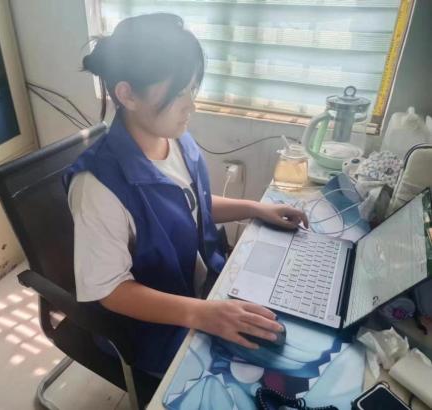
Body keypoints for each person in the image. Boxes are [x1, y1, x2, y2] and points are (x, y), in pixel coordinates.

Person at [64, 13, 308, 376]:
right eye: (179, 93)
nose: (191, 105)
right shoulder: (97, 186)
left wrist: (255, 209)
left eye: (192, 89)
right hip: (153, 327)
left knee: (294, 324)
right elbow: (110, 290)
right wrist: (203, 313)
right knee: (270, 375)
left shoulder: (174, 140)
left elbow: (189, 206)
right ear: (127, 94)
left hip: (201, 293)